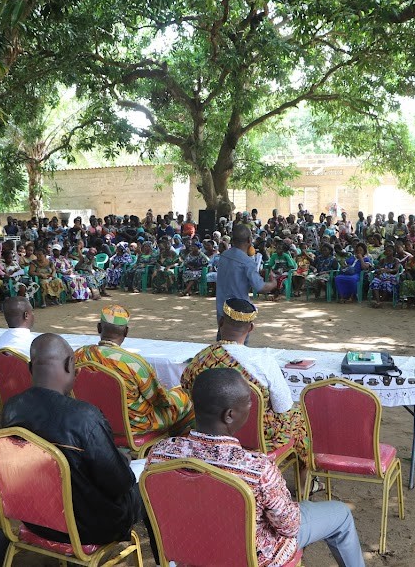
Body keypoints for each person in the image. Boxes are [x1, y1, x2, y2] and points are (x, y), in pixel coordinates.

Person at [148, 367, 365, 567]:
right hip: (252, 557)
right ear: (229, 415)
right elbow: (289, 527)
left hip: (189, 550)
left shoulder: (159, 454)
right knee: (341, 514)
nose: (252, 408)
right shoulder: (257, 469)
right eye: (248, 403)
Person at [1, 333, 151, 549]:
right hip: (89, 527)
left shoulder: (11, 409)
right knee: (149, 482)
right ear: (70, 364)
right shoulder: (85, 417)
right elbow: (119, 484)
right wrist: (121, 460)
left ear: (30, 368)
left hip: (35, 519)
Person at [181, 299, 308, 478]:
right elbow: (283, 406)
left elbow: (186, 388)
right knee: (299, 418)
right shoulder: (263, 361)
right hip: (261, 437)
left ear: (220, 322)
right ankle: (306, 479)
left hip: (209, 430)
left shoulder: (201, 359)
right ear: (250, 328)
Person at [75, 305, 193, 436]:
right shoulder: (134, 364)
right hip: (136, 426)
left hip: (92, 422)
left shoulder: (80, 354)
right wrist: (164, 390)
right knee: (186, 394)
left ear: (98, 328)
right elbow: (161, 401)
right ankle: (179, 445)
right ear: (126, 332)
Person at [215, 225, 276, 335]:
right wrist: (273, 283)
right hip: (239, 311)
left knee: (222, 343)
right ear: (249, 240)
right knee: (239, 344)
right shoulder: (247, 262)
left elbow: (234, 276)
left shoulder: (224, 256)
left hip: (222, 307)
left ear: (232, 240)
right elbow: (260, 287)